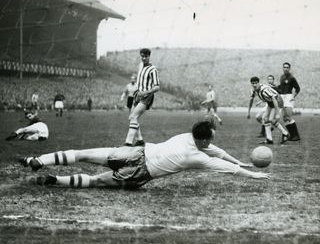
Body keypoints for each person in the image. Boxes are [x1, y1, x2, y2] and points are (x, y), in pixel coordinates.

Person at [19, 119, 270, 189]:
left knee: (83, 153)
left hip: (135, 152)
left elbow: (222, 153)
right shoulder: (198, 157)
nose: (213, 142)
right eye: (211, 137)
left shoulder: (188, 136)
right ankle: (55, 181)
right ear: (203, 139)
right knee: (96, 181)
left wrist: (242, 161)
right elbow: (226, 167)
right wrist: (253, 175)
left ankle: (39, 161)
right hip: (139, 171)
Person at [124, 48, 160, 147]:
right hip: (138, 94)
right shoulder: (140, 65)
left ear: (149, 56)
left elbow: (157, 87)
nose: (144, 58)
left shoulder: (153, 70)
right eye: (142, 56)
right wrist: (137, 90)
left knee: (133, 117)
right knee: (131, 118)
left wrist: (145, 92)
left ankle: (128, 143)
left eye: (146, 56)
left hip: (147, 96)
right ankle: (140, 140)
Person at [247, 76, 289, 145]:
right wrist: (248, 112)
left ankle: (285, 134)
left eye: (256, 83)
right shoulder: (253, 90)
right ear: (251, 84)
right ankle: (269, 139)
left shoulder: (264, 90)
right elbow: (251, 100)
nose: (254, 85)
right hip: (270, 102)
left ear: (258, 83)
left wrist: (278, 113)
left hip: (278, 101)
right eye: (253, 83)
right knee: (265, 119)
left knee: (271, 119)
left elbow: (274, 99)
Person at [278, 62, 301, 141]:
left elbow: (298, 88)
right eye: (284, 67)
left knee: (288, 116)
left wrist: (293, 97)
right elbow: (280, 87)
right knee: (284, 118)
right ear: (282, 68)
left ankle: (297, 135)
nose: (286, 68)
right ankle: (291, 135)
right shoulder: (281, 77)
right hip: (282, 97)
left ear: (289, 68)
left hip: (288, 97)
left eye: (287, 67)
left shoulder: (292, 78)